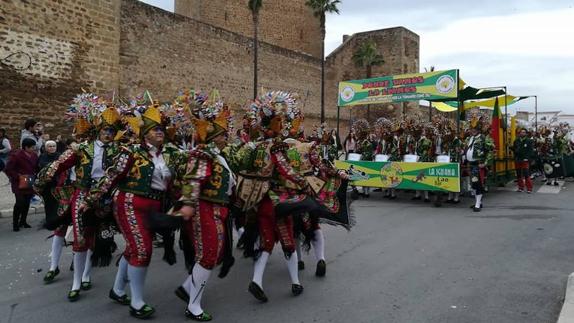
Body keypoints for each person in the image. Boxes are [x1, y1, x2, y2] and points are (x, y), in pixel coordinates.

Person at [85, 102, 184, 319]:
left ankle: (118, 290)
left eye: (161, 129)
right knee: (142, 250)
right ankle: (137, 302)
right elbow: (111, 176)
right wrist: (91, 199)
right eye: (155, 130)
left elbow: (172, 185)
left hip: (153, 209)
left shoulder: (167, 155)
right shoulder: (130, 152)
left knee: (133, 249)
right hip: (129, 203)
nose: (160, 133)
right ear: (144, 134)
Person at [36, 101, 121, 302]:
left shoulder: (119, 151)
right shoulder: (82, 148)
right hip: (81, 195)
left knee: (99, 237)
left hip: (104, 198)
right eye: (106, 130)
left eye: (112, 131)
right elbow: (59, 163)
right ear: (98, 130)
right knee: (80, 238)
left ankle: (86, 275)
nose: (109, 134)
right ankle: (75, 282)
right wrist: (42, 180)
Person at [174, 92, 235, 321]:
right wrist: (188, 204)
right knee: (208, 255)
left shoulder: (220, 156)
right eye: (223, 134)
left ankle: (187, 288)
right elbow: (193, 180)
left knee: (213, 253)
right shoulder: (203, 154)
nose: (227, 137)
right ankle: (193, 305)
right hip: (204, 208)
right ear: (214, 136)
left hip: (218, 210)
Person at [5, 138, 39, 231]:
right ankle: (15, 223)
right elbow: (8, 169)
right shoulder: (16, 156)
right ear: (26, 147)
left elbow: (36, 167)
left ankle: (23, 221)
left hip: (30, 181)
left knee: (27, 202)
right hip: (18, 182)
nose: (34, 149)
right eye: (32, 147)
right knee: (20, 202)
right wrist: (17, 176)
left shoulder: (34, 156)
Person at [464, 122, 492, 212]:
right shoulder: (469, 138)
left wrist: (485, 163)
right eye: (472, 129)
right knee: (473, 185)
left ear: (479, 130)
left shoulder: (484, 138)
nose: (473, 130)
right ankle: (478, 202)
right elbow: (466, 149)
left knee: (477, 184)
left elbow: (491, 151)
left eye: (475, 129)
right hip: (470, 164)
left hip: (478, 164)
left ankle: (477, 204)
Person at [513, 128, 535, 193]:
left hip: (525, 160)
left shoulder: (529, 141)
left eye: (524, 132)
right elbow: (514, 149)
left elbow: (531, 151)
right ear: (519, 133)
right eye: (521, 132)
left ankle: (529, 188)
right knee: (519, 174)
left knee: (526, 174)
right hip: (518, 159)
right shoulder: (516, 141)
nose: (522, 133)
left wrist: (528, 158)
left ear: (526, 133)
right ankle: (520, 187)